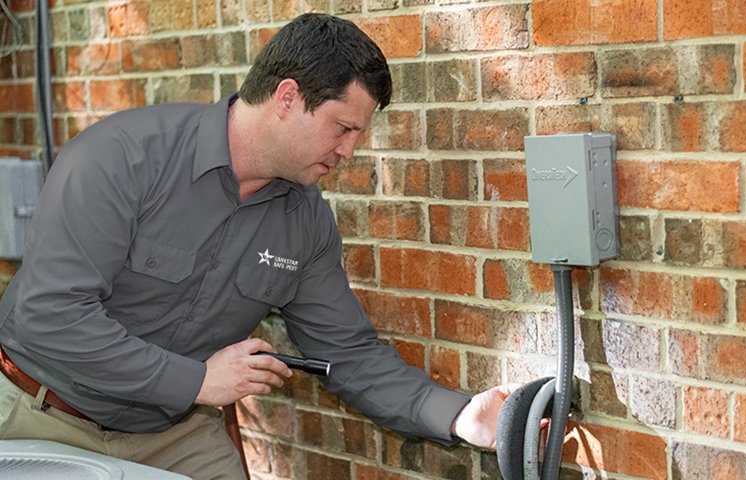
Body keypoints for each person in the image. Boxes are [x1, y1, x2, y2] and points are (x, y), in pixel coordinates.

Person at [0, 13, 514, 479]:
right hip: (44, 416)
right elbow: (51, 316)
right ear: (287, 98)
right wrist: (197, 381)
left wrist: (460, 415)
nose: (349, 151)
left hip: (170, 435)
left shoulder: (306, 220)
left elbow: (348, 354)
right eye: (343, 127)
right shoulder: (121, 158)